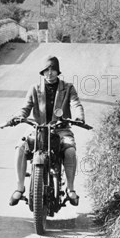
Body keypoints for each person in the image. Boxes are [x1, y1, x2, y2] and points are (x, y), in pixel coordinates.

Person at [7, 55, 85, 207]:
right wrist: (18, 117)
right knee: (20, 148)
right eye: (46, 70)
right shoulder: (34, 89)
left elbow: (76, 103)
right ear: (42, 72)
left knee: (70, 151)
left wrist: (79, 117)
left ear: (58, 71)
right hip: (38, 128)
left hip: (61, 129)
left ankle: (70, 189)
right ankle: (19, 188)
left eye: (53, 70)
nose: (50, 73)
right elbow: (25, 108)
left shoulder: (68, 88)